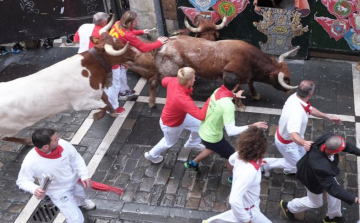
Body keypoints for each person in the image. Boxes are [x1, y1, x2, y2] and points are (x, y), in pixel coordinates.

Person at [185, 72, 268, 181]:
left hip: (204, 131)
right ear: (237, 86)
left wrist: (234, 95)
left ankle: (193, 163)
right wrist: (252, 125)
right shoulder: (228, 105)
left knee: (211, 147)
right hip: (213, 137)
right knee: (232, 157)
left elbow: (224, 96)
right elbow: (231, 131)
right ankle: (233, 178)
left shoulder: (217, 91)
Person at [263, 80, 341, 176]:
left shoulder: (296, 98)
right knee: (297, 165)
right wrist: (304, 143)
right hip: (288, 144)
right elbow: (293, 135)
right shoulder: (297, 113)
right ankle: (268, 164)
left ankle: (290, 167)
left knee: (304, 158)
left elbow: (310, 109)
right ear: (310, 94)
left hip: (295, 139)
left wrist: (328, 117)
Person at [16, 129, 96, 223]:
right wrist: (34, 189)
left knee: (81, 197)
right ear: (46, 146)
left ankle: (81, 202)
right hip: (58, 192)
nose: (58, 139)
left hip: (74, 181)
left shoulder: (63, 144)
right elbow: (22, 181)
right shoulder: (30, 161)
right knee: (76, 220)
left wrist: (84, 175)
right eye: (55, 139)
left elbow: (76, 159)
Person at [280, 132, 360, 223]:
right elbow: (333, 188)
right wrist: (356, 200)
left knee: (336, 194)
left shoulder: (329, 139)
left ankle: (333, 217)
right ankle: (289, 207)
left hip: (319, 170)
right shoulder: (321, 166)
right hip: (310, 178)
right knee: (316, 203)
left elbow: (346, 146)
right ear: (335, 152)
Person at [203, 127, 271, 223]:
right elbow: (234, 201)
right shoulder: (250, 171)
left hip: (250, 207)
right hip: (249, 212)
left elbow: (230, 161)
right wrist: (246, 220)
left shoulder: (238, 154)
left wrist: (258, 162)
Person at [144, 67, 210, 163]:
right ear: (188, 82)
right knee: (169, 143)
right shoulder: (183, 99)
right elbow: (201, 115)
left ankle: (192, 143)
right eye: (193, 78)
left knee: (201, 125)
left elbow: (164, 81)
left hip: (182, 116)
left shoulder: (174, 81)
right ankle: (151, 155)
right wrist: (210, 100)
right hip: (171, 124)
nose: (195, 79)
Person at [107, 10, 168, 103]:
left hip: (114, 54)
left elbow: (127, 32)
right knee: (116, 81)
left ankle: (123, 91)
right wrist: (158, 42)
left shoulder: (117, 23)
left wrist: (141, 32)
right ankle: (112, 104)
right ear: (130, 23)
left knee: (122, 73)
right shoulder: (128, 35)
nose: (137, 22)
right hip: (114, 58)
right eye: (135, 21)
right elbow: (144, 48)